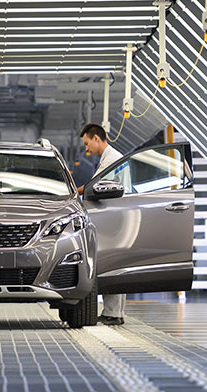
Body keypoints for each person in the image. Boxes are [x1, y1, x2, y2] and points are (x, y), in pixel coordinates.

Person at [77, 123, 126, 326]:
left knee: (112, 263)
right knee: (113, 262)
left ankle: (113, 313)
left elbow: (94, 187)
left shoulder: (112, 160)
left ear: (97, 138)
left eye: (87, 144)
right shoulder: (109, 159)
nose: (87, 149)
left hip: (114, 219)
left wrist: (72, 191)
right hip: (114, 217)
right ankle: (114, 312)